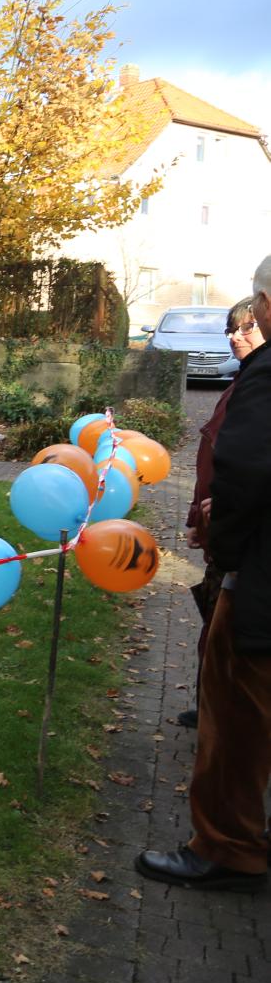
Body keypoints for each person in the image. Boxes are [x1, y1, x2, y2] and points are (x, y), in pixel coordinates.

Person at [137, 254, 271, 892]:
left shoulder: (266, 377)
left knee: (234, 723)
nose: (244, 331)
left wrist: (227, 546)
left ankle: (226, 848)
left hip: (260, 586)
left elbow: (245, 468)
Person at [176, 297, 264, 727]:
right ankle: (210, 706)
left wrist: (222, 517)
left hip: (243, 543)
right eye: (232, 328)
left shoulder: (259, 388)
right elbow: (213, 459)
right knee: (212, 626)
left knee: (225, 634)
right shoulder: (240, 385)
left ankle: (222, 719)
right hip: (220, 530)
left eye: (247, 328)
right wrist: (198, 517)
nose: (235, 336)